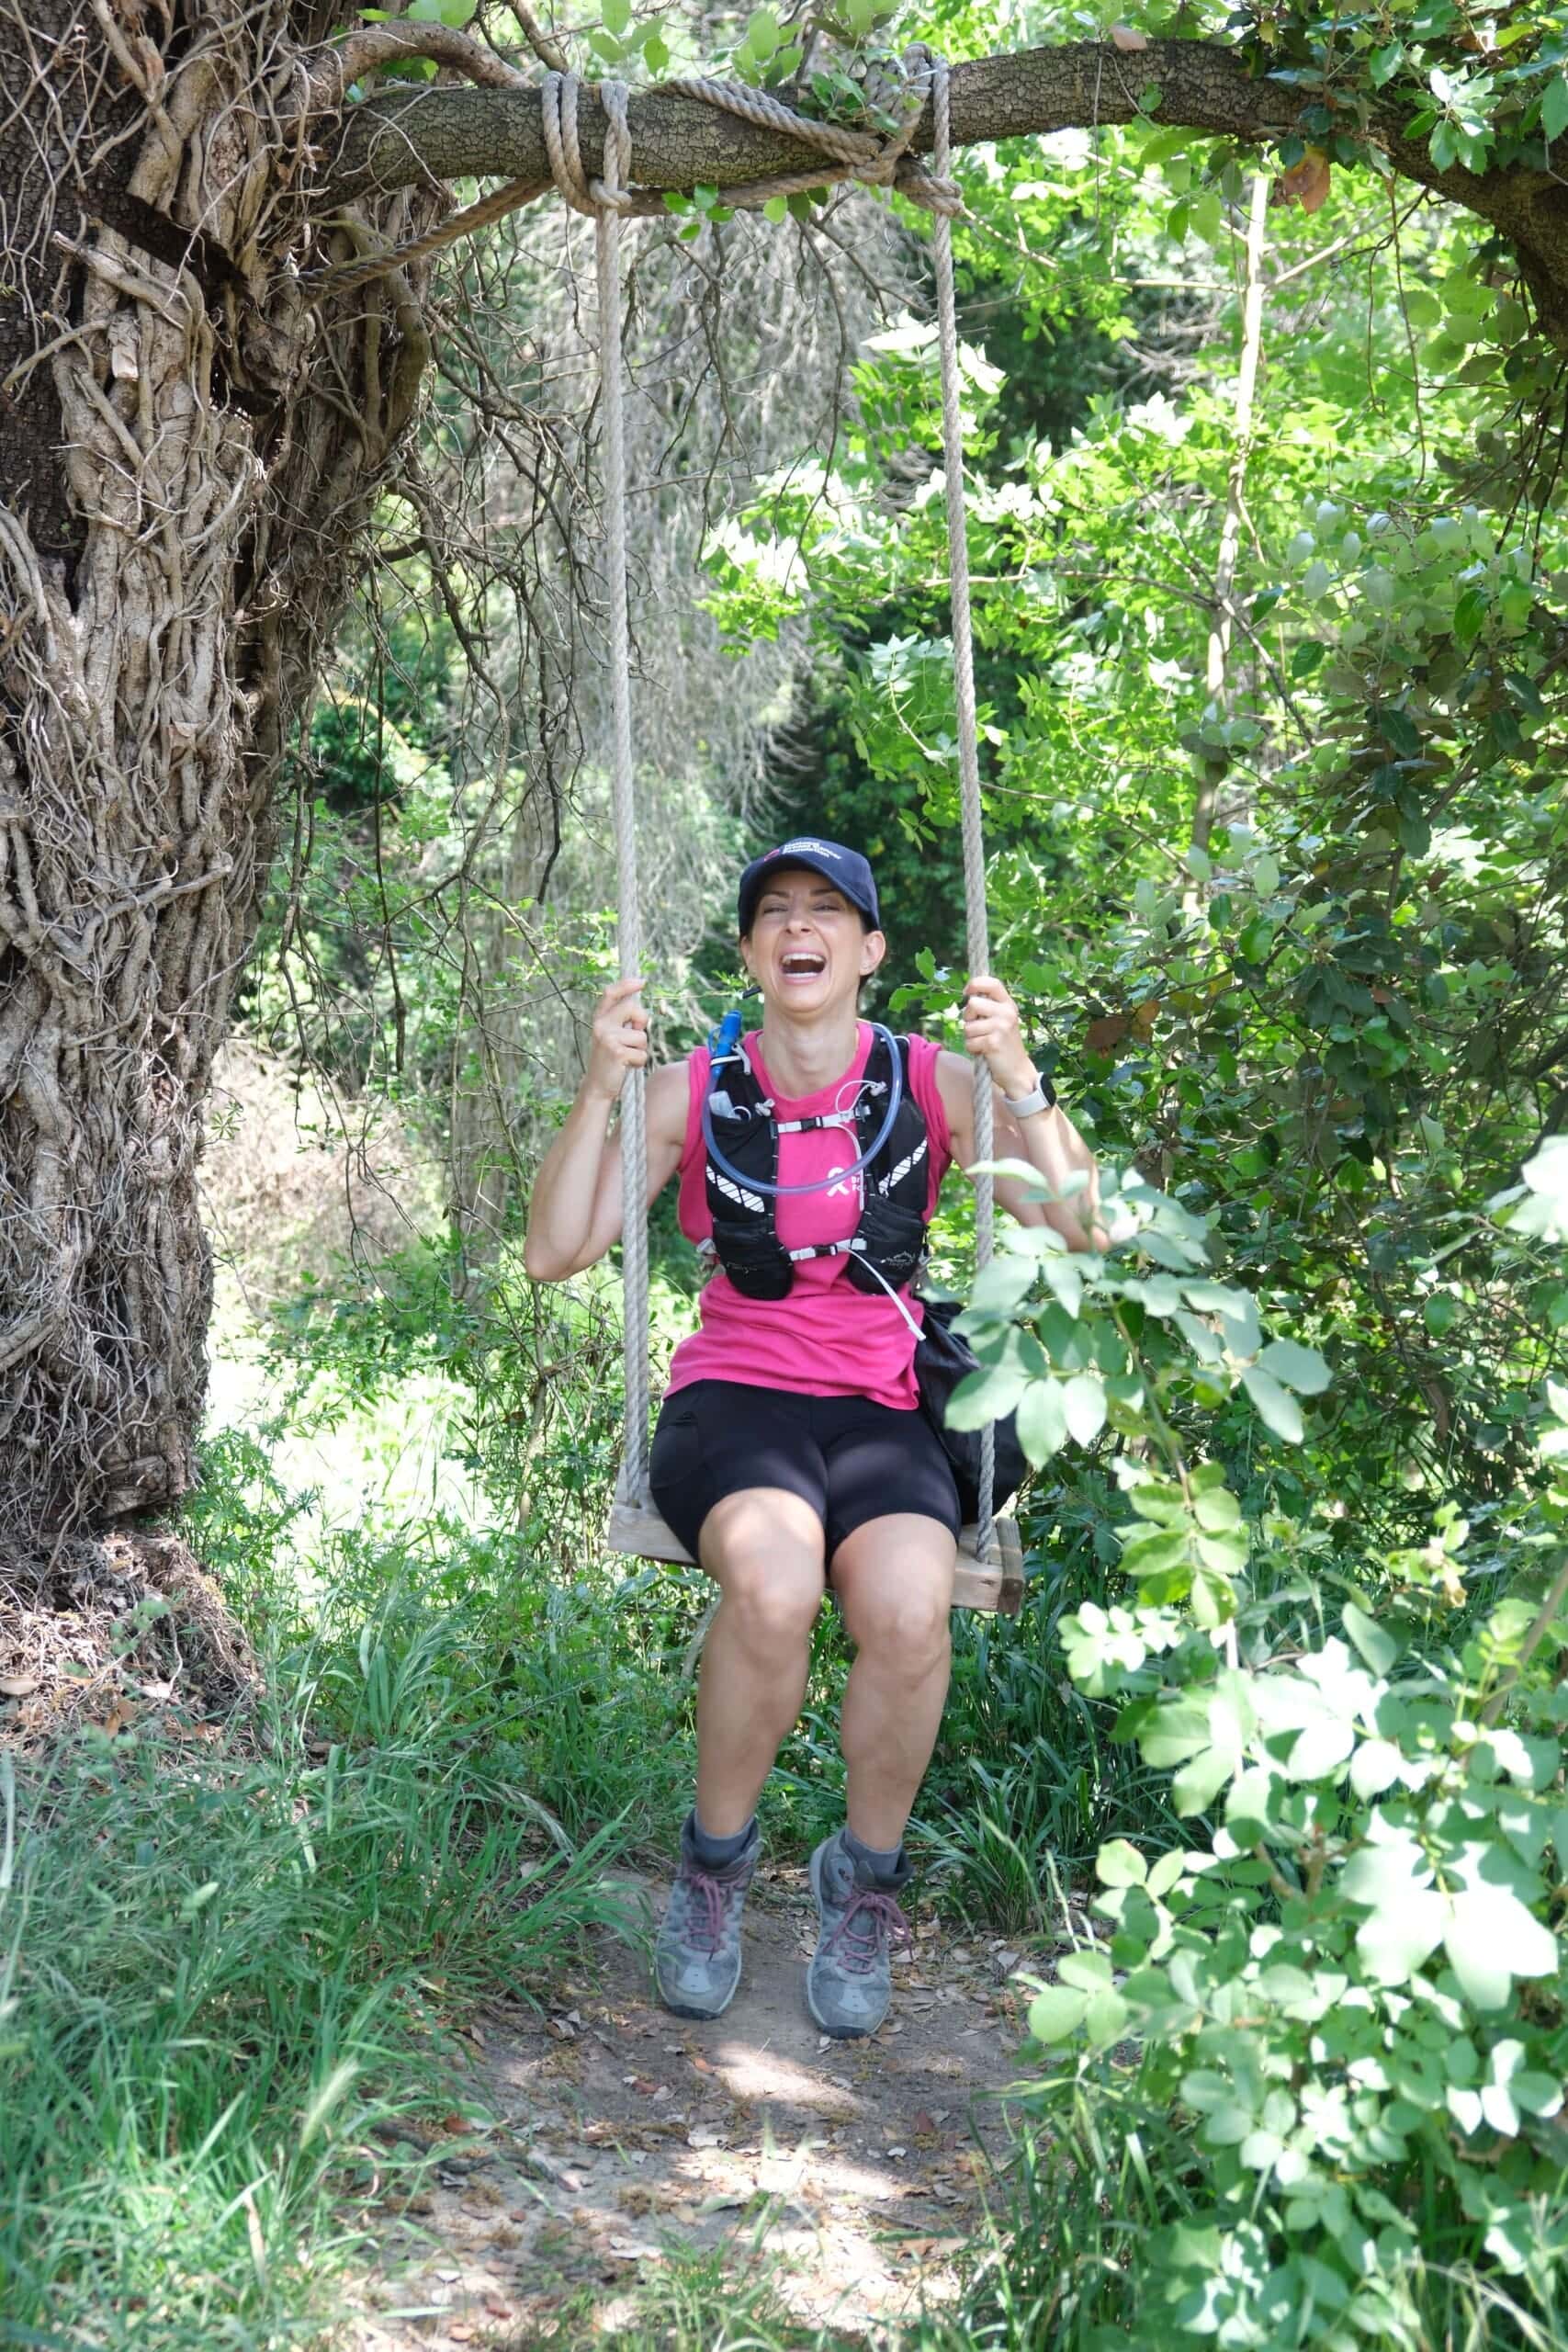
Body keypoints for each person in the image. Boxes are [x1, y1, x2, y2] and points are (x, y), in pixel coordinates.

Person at [524, 837, 1102, 2038]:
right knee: (776, 1587)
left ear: (870, 949)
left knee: (908, 1608)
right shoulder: (698, 1087)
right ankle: (714, 1871)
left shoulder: (935, 1080)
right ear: (750, 951)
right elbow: (557, 1250)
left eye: (828, 911)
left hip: (884, 1416)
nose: (801, 928)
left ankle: (862, 1883)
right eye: (775, 912)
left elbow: (1081, 1227)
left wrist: (1023, 1074)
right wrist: (597, 1088)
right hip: (732, 1405)